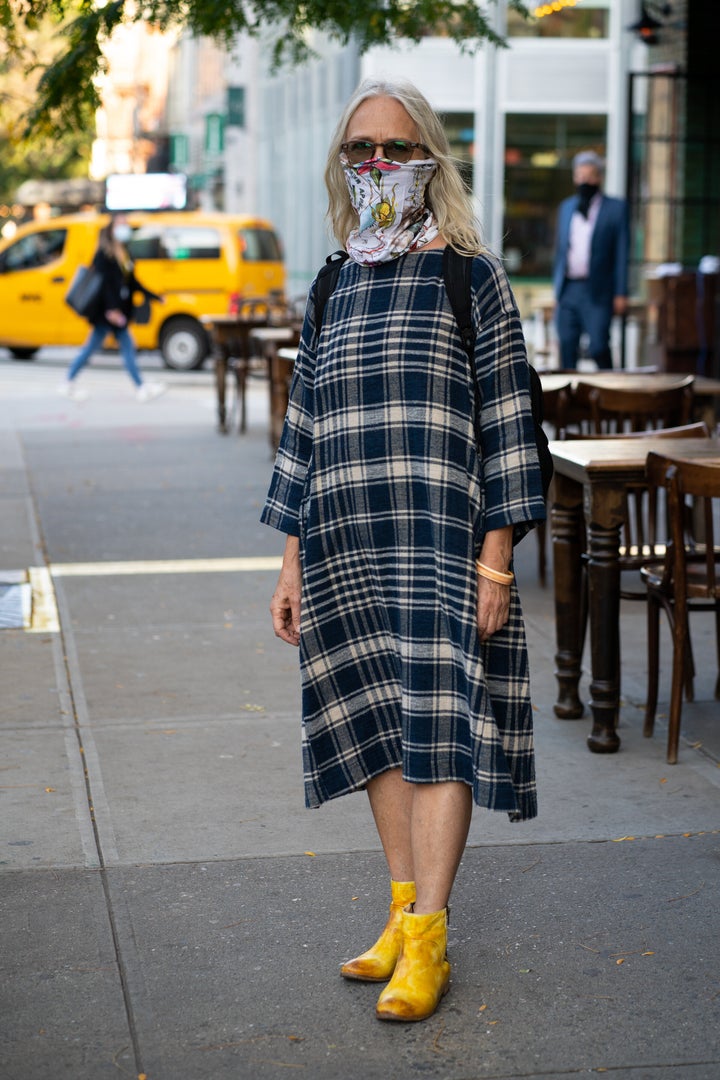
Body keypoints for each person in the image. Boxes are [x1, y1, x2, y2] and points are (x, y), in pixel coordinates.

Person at [261, 78, 546, 1023]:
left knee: (439, 731)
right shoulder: (336, 279)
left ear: (429, 157)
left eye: (393, 146)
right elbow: (305, 424)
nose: (376, 164)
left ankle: (430, 936)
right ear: (343, 165)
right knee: (381, 727)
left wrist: (496, 560)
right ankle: (398, 912)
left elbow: (509, 424)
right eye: (359, 151)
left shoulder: (471, 276)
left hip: (441, 542)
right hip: (346, 541)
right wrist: (292, 560)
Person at [57, 214, 166, 402]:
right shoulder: (103, 254)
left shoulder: (125, 253)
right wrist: (111, 310)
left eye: (126, 224)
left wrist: (155, 297)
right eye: (120, 224)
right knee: (103, 347)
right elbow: (103, 285)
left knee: (108, 347)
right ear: (112, 228)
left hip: (118, 311)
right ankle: (139, 387)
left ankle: (139, 387)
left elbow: (133, 283)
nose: (124, 228)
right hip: (107, 313)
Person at [552, 150, 629, 370]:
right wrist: (557, 290)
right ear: (575, 178)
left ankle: (610, 394)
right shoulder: (566, 208)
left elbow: (622, 252)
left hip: (598, 290)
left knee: (598, 347)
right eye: (580, 176)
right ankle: (570, 398)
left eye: (590, 175)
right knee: (566, 344)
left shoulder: (616, 209)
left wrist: (621, 292)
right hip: (569, 289)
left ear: (599, 178)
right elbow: (560, 251)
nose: (585, 181)